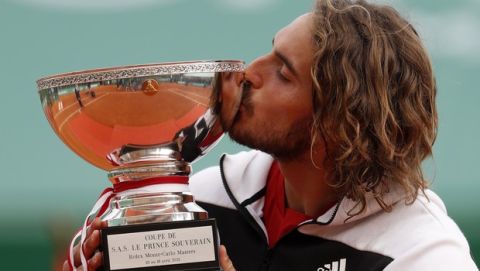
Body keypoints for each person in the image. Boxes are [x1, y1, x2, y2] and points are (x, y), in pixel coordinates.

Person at [66, 0, 479, 270]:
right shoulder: (201, 196)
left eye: (283, 72)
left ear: (339, 122)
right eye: (269, 50)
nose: (248, 73)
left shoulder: (422, 254)